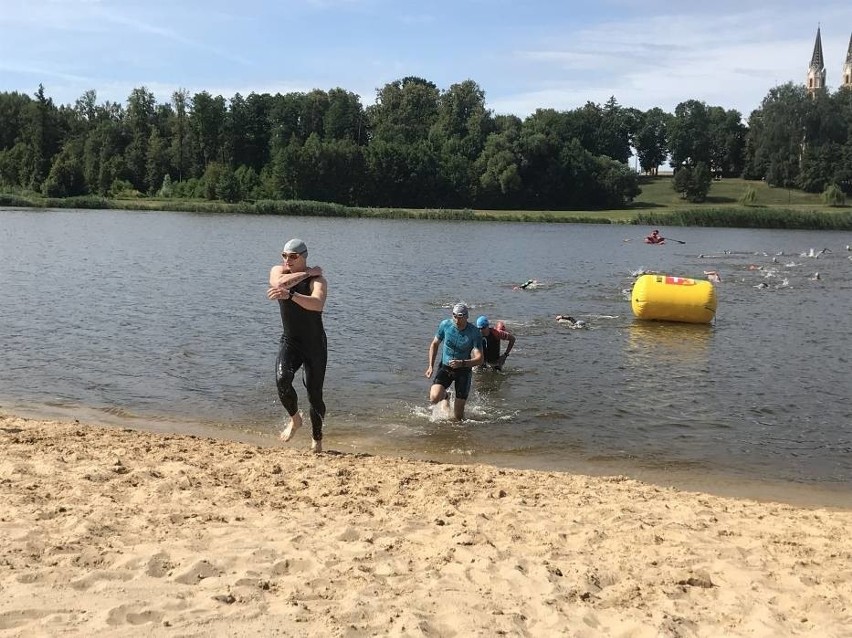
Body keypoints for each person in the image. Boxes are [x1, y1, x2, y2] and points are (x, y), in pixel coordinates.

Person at [266, 238, 328, 453]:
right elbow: (278, 284)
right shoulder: (279, 271)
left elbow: (317, 304)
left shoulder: (318, 280)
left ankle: (317, 439)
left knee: (314, 394)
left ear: (303, 257)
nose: (287, 260)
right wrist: (306, 273)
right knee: (282, 380)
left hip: (314, 344)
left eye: (293, 256)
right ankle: (295, 419)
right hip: (290, 341)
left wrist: (292, 294)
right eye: (284, 255)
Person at [425, 303, 484, 420]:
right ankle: (445, 396)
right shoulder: (445, 325)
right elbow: (435, 344)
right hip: (446, 367)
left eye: (460, 316)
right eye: (454, 316)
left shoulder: (474, 332)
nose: (457, 320)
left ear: (466, 316)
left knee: (458, 417)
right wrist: (430, 366)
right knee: (434, 397)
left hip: (463, 370)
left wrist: (462, 363)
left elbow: (480, 359)